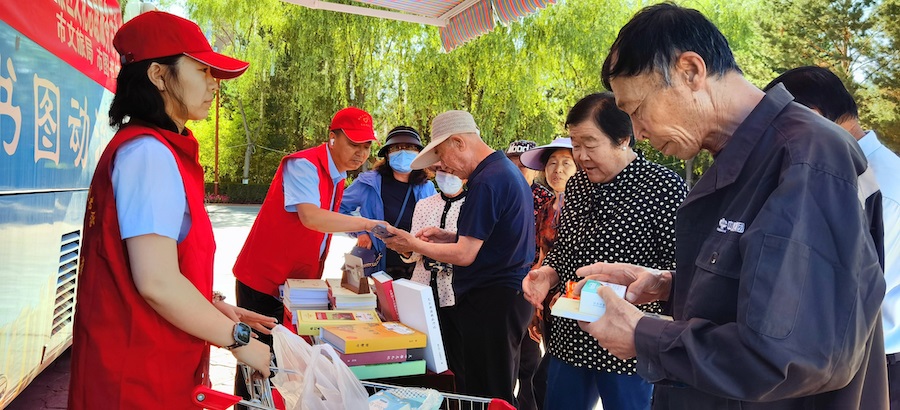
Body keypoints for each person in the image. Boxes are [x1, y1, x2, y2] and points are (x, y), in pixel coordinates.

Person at [576, 3, 887, 409]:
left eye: (637, 110)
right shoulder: (744, 156)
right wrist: (669, 285)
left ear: (691, 71)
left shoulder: (806, 156)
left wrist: (643, 335)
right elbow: (770, 290)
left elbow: (788, 352)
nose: (638, 132)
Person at [68, 11, 275, 409]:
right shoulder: (149, 154)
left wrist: (213, 307)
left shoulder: (151, 148)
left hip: (145, 364)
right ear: (158, 75)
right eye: (203, 70)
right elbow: (157, 282)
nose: (214, 84)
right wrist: (238, 341)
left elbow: (159, 267)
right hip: (138, 378)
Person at [522, 93, 686, 410]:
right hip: (572, 334)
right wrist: (546, 274)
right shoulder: (578, 186)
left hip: (627, 342)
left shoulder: (663, 187)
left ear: (623, 139)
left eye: (590, 144)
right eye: (575, 144)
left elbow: (679, 270)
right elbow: (565, 249)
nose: (581, 156)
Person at [763, 66, 900, 408]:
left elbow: (845, 288)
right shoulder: (856, 172)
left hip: (877, 361)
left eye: (778, 125)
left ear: (812, 116)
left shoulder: (873, 185)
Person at [231, 106, 382, 405]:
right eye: (354, 143)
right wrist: (367, 224)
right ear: (332, 138)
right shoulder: (304, 165)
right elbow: (311, 217)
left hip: (296, 284)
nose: (361, 153)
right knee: (256, 361)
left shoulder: (338, 176)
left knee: (282, 363)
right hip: (263, 279)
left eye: (366, 146)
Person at [382, 110, 535, 404]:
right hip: (503, 297)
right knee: (489, 389)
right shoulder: (501, 172)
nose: (442, 165)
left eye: (441, 154)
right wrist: (448, 237)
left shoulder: (487, 180)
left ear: (459, 142)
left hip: (493, 299)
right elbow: (491, 240)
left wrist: (413, 243)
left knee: (490, 395)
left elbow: (465, 254)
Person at [339, 126, 437, 278]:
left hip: (415, 267)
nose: (403, 152)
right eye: (396, 148)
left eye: (410, 147)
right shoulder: (368, 183)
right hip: (376, 264)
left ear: (419, 153)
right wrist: (361, 232)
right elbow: (339, 207)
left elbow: (437, 223)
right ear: (387, 154)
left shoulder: (427, 187)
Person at [403, 164, 467, 387]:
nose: (447, 176)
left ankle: (458, 399)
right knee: (424, 357)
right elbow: (413, 252)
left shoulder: (472, 205)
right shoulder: (424, 205)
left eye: (452, 171)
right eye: (442, 171)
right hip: (423, 290)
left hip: (456, 294)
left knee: (457, 357)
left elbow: (469, 250)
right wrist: (406, 248)